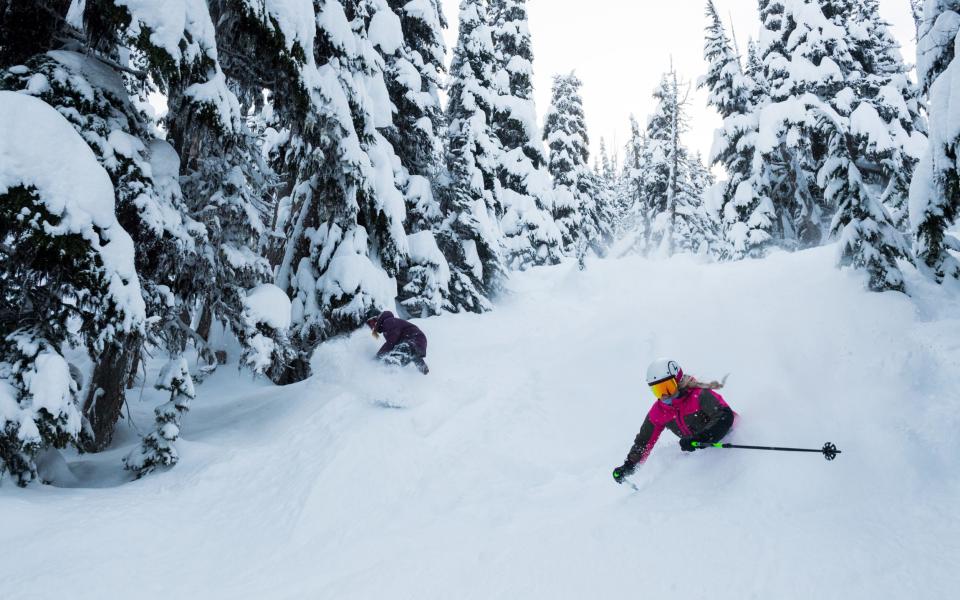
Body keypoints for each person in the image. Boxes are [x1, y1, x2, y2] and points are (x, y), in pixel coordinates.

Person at [612, 358, 734, 484]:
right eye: (658, 390)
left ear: (679, 381)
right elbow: (643, 442)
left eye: (667, 388)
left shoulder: (699, 395)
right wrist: (628, 466)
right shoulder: (659, 411)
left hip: (730, 443)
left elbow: (724, 416)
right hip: (705, 460)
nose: (664, 395)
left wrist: (701, 438)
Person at [367, 311, 429, 375]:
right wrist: (422, 366)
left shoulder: (388, 321)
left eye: (372, 323)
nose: (372, 327)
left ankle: (388, 375)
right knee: (404, 355)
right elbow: (412, 352)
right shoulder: (388, 325)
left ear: (377, 318)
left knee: (392, 360)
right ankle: (423, 369)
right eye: (370, 326)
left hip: (414, 338)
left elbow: (391, 343)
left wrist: (377, 358)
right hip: (418, 342)